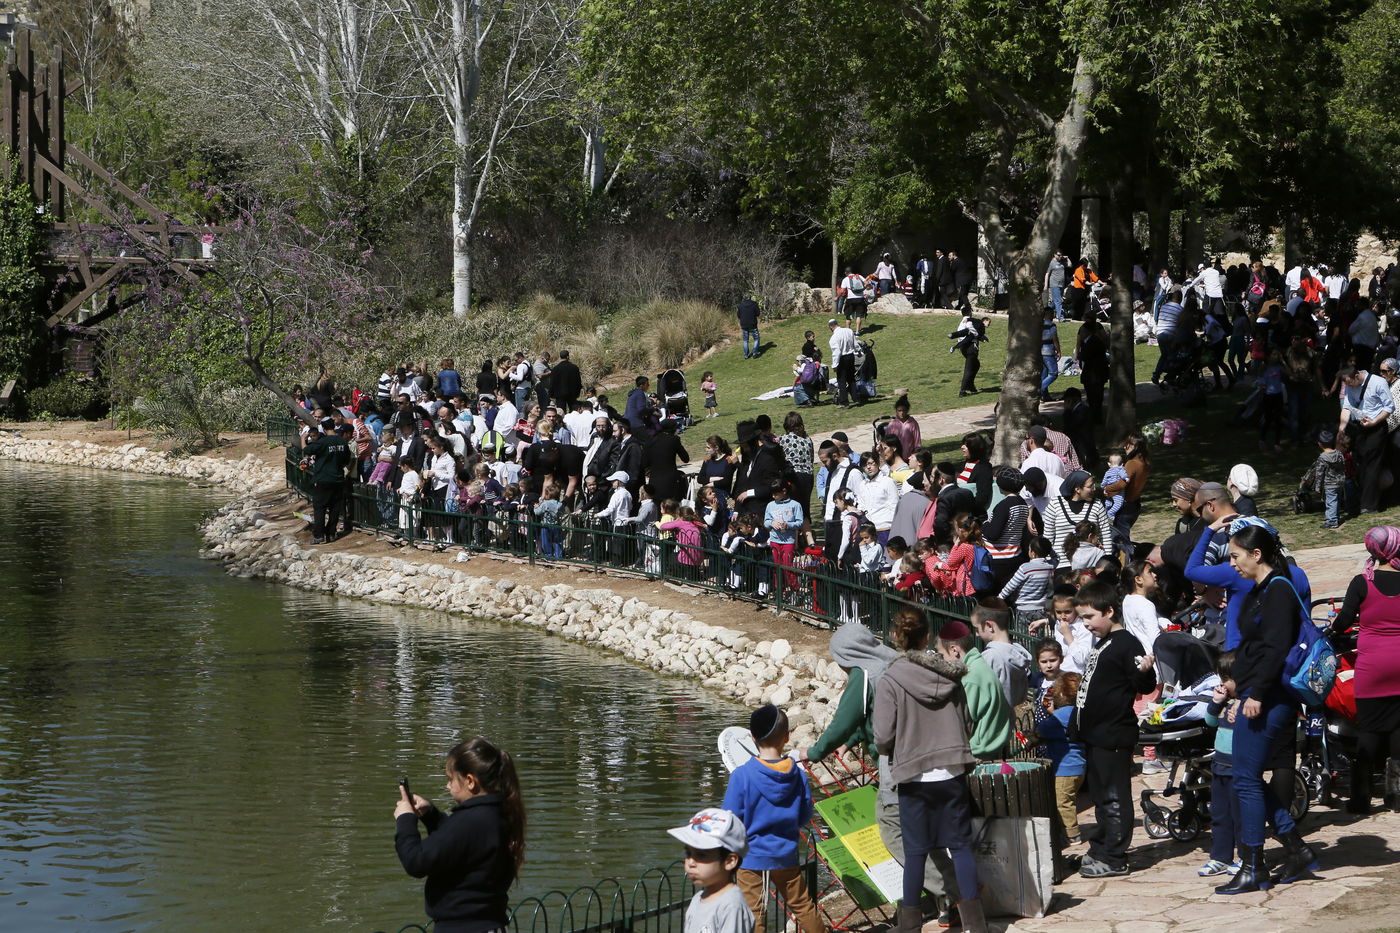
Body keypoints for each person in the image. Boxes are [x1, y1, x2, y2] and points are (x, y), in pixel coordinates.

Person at [873, 612, 988, 933]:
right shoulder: (951, 675)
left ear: (897, 637)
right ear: (927, 638)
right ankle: (975, 926)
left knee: (916, 853)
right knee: (961, 847)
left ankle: (910, 926)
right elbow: (967, 722)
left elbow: (882, 735)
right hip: (952, 771)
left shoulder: (890, 679)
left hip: (914, 775)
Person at [1217, 524, 1316, 894]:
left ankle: (1254, 865)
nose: (1232, 563)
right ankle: (1295, 848)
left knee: (1245, 778)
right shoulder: (1261, 589)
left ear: (1256, 554)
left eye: (1235, 556)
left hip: (1269, 698)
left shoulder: (1277, 591)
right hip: (1257, 694)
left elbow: (1274, 648)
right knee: (1248, 777)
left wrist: (1254, 693)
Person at [394, 737, 525, 933]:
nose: (447, 786)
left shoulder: (469, 820)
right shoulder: (498, 813)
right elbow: (465, 843)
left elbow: (416, 861)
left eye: (450, 779)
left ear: (470, 781)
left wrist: (405, 818)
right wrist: (431, 815)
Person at [1071, 581, 1157, 878]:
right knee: (1099, 796)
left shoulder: (1126, 643)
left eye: (1089, 617)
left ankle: (1115, 856)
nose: (1085, 624)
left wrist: (1145, 672)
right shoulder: (1103, 642)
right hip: (1095, 735)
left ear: (1109, 611)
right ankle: (1102, 845)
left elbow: (1142, 682)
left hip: (1113, 734)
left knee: (1114, 796)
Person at [721, 705, 824, 933]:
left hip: (750, 855)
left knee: (754, 912)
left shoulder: (742, 776)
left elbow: (729, 820)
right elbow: (805, 813)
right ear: (787, 737)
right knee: (803, 906)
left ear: (752, 738)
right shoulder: (797, 773)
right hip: (785, 851)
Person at [1329, 526, 1400, 814]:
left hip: (1372, 666)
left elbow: (1344, 620)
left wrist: (1331, 630)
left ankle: (1360, 798)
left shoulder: (1362, 582)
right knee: (1398, 727)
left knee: (1369, 728)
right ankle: (1396, 797)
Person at [935, 618, 1012, 760]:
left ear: (954, 650)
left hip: (979, 752)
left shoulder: (971, 677)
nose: (941, 660)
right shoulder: (977, 666)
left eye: (942, 655)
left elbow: (962, 721)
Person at [668, 808, 754, 933]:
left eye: (701, 855)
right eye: (688, 853)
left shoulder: (731, 906)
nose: (690, 862)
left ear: (729, 861)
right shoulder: (698, 898)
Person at [1200, 652, 1242, 877]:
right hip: (1220, 765)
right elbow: (1210, 722)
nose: (1222, 684)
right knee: (1220, 814)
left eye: (1226, 678)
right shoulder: (1225, 702)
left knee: (1241, 816)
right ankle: (1220, 857)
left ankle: (1246, 856)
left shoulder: (1247, 703)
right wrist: (1216, 704)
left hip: (1238, 767)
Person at [1039, 673, 1086, 844]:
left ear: (1059, 694)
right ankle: (1065, 830)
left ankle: (1071, 834)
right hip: (1079, 765)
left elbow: (1043, 729)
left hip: (1064, 769)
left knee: (1063, 803)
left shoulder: (1060, 716)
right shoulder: (1078, 713)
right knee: (1069, 799)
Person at [1043, 470, 1113, 565]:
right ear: (1078, 489)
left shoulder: (1097, 505)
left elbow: (1105, 536)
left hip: (1091, 563)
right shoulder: (1055, 504)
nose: (1094, 489)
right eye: (1090, 486)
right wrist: (1049, 563)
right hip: (1061, 564)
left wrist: (1107, 562)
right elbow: (1048, 537)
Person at [975, 599, 1031, 708]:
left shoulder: (990, 657)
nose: (977, 634)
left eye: (977, 629)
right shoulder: (1017, 654)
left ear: (989, 626)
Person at [300, 425, 352, 544]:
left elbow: (306, 450)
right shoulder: (342, 442)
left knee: (319, 508)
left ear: (323, 429)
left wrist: (303, 438)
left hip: (323, 480)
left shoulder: (322, 442)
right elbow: (346, 460)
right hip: (338, 479)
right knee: (335, 508)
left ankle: (319, 535)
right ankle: (331, 533)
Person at [1312, 429, 1347, 530]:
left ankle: (1331, 522)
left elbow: (1319, 473)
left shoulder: (1322, 457)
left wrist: (1318, 487)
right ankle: (1336, 518)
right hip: (1340, 482)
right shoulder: (1339, 453)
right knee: (1336, 500)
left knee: (1331, 502)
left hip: (1329, 483)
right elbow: (1343, 466)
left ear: (1319, 444)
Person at [948, 308, 986, 396]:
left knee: (976, 365)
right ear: (970, 312)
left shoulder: (961, 323)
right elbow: (970, 329)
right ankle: (962, 391)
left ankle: (970, 385)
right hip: (970, 347)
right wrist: (977, 335)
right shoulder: (968, 321)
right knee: (969, 368)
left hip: (964, 348)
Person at [827, 317, 858, 408]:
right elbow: (855, 343)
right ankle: (856, 398)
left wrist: (835, 365)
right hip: (851, 356)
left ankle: (844, 402)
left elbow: (836, 352)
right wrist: (859, 351)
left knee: (842, 381)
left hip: (842, 358)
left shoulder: (833, 338)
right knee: (851, 378)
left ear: (831, 327)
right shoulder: (848, 331)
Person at [885, 395, 922, 460]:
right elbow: (887, 442)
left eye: (904, 410)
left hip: (909, 457)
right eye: (899, 410)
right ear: (896, 411)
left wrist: (916, 455)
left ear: (907, 410)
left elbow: (917, 442)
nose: (901, 413)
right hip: (896, 458)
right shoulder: (892, 425)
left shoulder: (913, 423)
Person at [839, 267, 868, 332]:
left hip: (850, 299)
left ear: (846, 273)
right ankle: (857, 332)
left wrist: (837, 297)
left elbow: (842, 290)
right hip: (860, 299)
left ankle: (848, 332)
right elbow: (867, 282)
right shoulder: (859, 276)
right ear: (852, 271)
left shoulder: (846, 279)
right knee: (858, 316)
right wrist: (864, 288)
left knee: (848, 316)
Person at [1040, 308, 1060, 399]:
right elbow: (1055, 339)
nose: (1053, 316)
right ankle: (1039, 390)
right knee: (1053, 373)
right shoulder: (1051, 325)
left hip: (1040, 352)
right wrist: (1058, 350)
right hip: (1048, 351)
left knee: (1044, 374)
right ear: (1048, 314)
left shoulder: (1039, 325)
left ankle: (1045, 396)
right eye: (1052, 313)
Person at [1045, 251, 1068, 321]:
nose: (1060, 257)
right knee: (1058, 301)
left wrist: (1067, 258)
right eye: (1058, 255)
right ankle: (1060, 317)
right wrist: (1046, 285)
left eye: (1061, 255)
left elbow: (1070, 265)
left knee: (1054, 302)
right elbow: (1047, 274)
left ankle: (1045, 312)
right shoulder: (1051, 263)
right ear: (1054, 255)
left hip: (1061, 285)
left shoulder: (1061, 263)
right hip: (1054, 284)